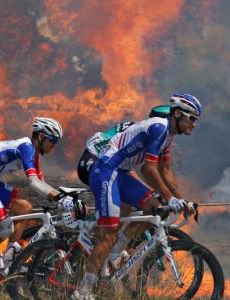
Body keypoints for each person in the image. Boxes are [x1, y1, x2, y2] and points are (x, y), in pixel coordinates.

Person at [73, 93, 201, 299]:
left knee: (154, 206)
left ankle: (115, 253)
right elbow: (149, 170)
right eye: (192, 118)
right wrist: (171, 199)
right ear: (177, 114)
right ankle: (82, 291)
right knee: (108, 236)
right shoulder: (159, 127)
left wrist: (180, 199)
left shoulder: (168, 135)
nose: (194, 124)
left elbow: (165, 170)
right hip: (105, 170)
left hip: (120, 173)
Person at [0, 117, 73, 293]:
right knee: (5, 227)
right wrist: (61, 199)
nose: (53, 147)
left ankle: (9, 258)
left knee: (24, 207)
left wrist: (65, 197)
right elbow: (33, 183)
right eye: (53, 142)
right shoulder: (26, 146)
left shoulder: (33, 154)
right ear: (41, 137)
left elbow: (41, 183)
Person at [77, 105, 171, 185]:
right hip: (94, 158)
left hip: (98, 158)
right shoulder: (143, 133)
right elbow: (125, 167)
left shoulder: (145, 130)